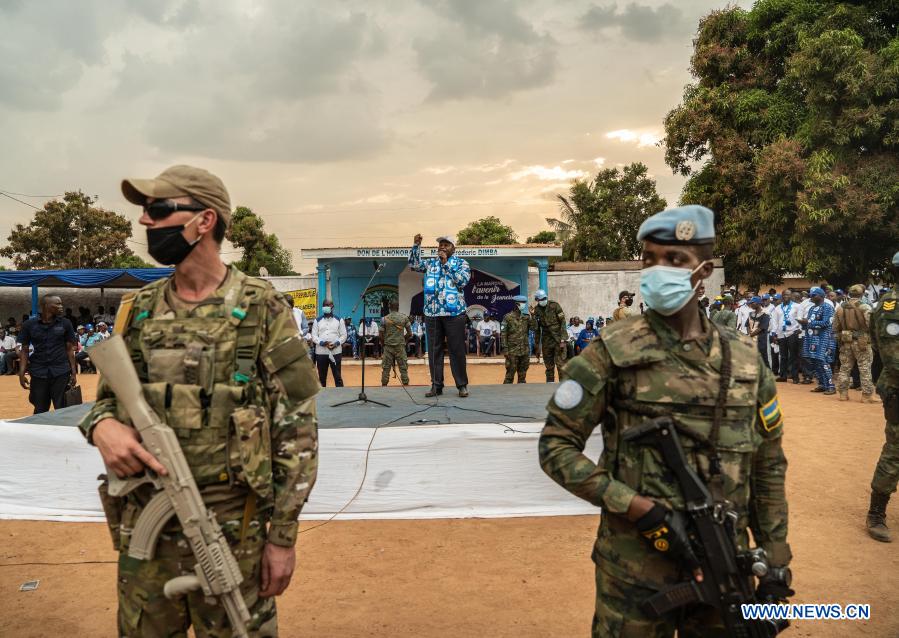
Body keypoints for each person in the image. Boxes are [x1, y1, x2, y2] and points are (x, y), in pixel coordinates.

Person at [78, 164, 320, 636]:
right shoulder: (138, 309)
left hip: (235, 535)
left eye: (157, 210)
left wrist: (282, 538)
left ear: (204, 220)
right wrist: (102, 427)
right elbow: (106, 403)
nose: (144, 221)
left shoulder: (263, 308)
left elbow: (297, 433)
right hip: (147, 537)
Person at [539, 204, 791, 635]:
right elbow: (555, 446)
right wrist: (635, 506)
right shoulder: (610, 351)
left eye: (674, 259)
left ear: (703, 271)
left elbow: (768, 466)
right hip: (632, 569)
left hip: (725, 564)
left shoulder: (746, 362)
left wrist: (775, 561)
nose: (658, 270)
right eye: (649, 259)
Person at [409, 233, 471, 397]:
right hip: (432, 313)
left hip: (454, 313)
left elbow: (462, 281)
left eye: (446, 245)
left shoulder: (461, 263)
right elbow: (414, 265)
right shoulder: (431, 263)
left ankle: (462, 385)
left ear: (453, 248)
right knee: (434, 351)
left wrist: (446, 264)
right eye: (440, 245)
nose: (442, 247)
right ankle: (436, 386)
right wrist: (416, 246)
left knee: (456, 350)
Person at [866, 251, 899, 542]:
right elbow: (893, 358)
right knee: (896, 451)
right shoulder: (891, 307)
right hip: (898, 387)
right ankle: (876, 512)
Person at [18, 295, 78, 414]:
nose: (61, 306)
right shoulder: (29, 325)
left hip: (61, 371)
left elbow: (69, 349)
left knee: (63, 409)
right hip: (38, 372)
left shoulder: (65, 323)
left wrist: (73, 372)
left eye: (61, 304)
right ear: (46, 306)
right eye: (58, 304)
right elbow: (24, 350)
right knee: (40, 409)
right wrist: (21, 372)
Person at [834, 284, 876, 402]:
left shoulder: (840, 308)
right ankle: (867, 396)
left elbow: (835, 327)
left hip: (845, 341)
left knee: (844, 368)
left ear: (849, 294)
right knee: (865, 368)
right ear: (862, 294)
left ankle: (843, 394)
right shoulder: (865, 307)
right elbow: (871, 325)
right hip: (862, 342)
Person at [800, 287, 836, 394]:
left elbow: (826, 323)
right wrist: (803, 323)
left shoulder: (828, 307)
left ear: (821, 296)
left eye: (814, 295)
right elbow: (809, 323)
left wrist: (809, 322)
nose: (811, 296)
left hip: (824, 339)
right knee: (814, 362)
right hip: (812, 339)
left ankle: (831, 386)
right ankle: (822, 384)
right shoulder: (811, 308)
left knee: (823, 362)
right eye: (810, 295)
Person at [533, 289, 567, 382]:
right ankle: (549, 384)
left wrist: (563, 339)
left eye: (544, 298)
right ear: (537, 300)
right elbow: (537, 329)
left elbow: (563, 322)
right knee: (549, 366)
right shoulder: (536, 310)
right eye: (541, 299)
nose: (543, 300)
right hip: (546, 341)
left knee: (561, 365)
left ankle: (562, 385)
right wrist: (537, 345)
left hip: (558, 340)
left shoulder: (555, 305)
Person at [312, 299, 347, 387]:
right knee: (322, 378)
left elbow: (344, 335)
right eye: (324, 305)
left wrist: (336, 344)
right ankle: (322, 395)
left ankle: (341, 394)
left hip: (336, 352)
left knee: (338, 377)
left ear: (332, 307)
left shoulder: (339, 320)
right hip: (321, 352)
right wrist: (322, 343)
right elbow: (314, 336)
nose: (326, 307)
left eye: (328, 305)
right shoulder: (317, 320)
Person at [501, 295, 533, 384]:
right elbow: (503, 334)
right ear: (517, 304)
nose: (524, 305)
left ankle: (521, 392)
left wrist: (533, 315)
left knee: (522, 376)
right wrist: (505, 349)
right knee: (510, 375)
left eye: (524, 303)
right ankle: (506, 392)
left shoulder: (526, 317)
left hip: (524, 350)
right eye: (522, 303)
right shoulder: (508, 317)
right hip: (512, 350)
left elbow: (534, 327)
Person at [380, 300, 412, 386]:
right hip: (400, 346)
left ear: (389, 307)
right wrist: (403, 340)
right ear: (398, 307)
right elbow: (410, 334)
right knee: (403, 368)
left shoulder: (384, 319)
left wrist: (383, 344)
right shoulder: (404, 318)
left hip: (388, 346)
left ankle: (384, 386)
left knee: (386, 368)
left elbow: (380, 335)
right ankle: (406, 384)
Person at [772, 291, 802, 383]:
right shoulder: (777, 308)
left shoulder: (797, 306)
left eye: (788, 294)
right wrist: (774, 334)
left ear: (791, 296)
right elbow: (775, 321)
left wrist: (799, 328)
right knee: (783, 356)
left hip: (792, 333)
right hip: (781, 334)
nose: (786, 296)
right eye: (784, 295)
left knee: (793, 356)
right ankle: (783, 376)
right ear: (782, 296)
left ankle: (795, 377)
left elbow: (800, 318)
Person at [748, 296, 772, 369]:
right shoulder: (750, 314)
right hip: (751, 339)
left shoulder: (765, 314)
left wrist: (751, 334)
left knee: (763, 358)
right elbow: (747, 325)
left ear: (758, 304)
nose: (751, 305)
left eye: (752, 303)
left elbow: (761, 328)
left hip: (761, 340)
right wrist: (749, 333)